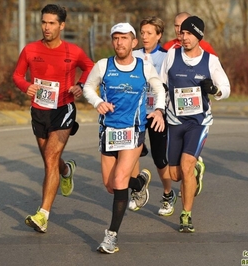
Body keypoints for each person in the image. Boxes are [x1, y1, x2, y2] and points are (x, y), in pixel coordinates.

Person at [83, 22, 165, 253]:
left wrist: (158, 110)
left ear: (133, 42)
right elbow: (89, 87)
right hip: (108, 131)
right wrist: (98, 102)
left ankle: (111, 237)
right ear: (112, 41)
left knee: (120, 180)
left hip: (133, 131)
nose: (120, 42)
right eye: (116, 38)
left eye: (124, 38)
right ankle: (139, 182)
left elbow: (159, 90)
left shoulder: (144, 67)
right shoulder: (103, 65)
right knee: (110, 186)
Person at [12, 4, 94, 233]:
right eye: (44, 22)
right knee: (49, 159)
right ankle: (66, 170)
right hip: (39, 111)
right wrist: (26, 86)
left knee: (50, 156)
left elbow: (90, 68)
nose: (46, 27)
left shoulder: (73, 51)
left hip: (63, 109)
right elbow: (17, 75)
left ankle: (43, 214)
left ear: (61, 25)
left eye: (51, 23)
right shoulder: (30, 50)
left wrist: (80, 85)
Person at [160, 16, 230, 232]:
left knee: (186, 165)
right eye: (182, 33)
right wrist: (159, 108)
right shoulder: (172, 54)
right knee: (175, 175)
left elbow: (225, 89)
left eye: (189, 34)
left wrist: (214, 91)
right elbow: (161, 83)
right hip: (174, 120)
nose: (184, 37)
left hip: (198, 122)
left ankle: (186, 215)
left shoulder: (210, 60)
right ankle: (197, 169)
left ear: (199, 36)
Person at [130, 16, 205, 216]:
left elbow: (171, 85)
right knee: (131, 151)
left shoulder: (168, 56)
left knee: (159, 158)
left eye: (149, 33)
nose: (145, 37)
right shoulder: (133, 54)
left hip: (158, 113)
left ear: (159, 35)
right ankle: (138, 188)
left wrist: (163, 110)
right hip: (136, 112)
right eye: (142, 33)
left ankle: (167, 193)